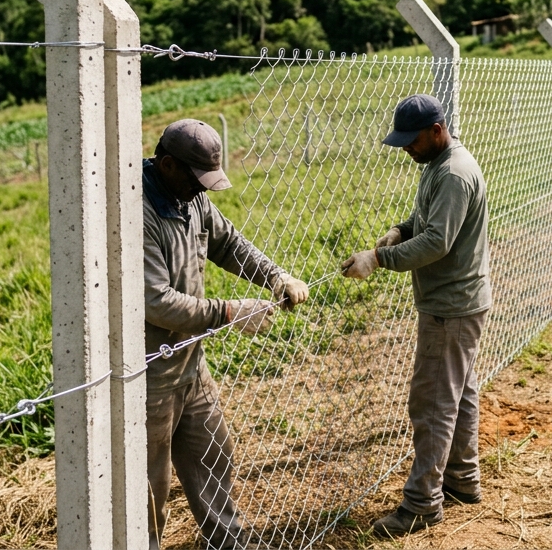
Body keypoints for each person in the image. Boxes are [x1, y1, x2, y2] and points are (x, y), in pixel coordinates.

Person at [143, 118, 310, 550]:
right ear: (167, 165)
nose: (203, 190)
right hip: (148, 376)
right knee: (147, 491)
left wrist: (275, 276)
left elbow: (228, 244)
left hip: (189, 362)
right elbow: (156, 301)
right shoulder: (136, 213)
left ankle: (229, 544)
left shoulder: (190, 199)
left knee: (213, 454)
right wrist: (231, 311)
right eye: (197, 179)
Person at [341, 94, 491, 537]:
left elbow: (438, 242)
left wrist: (378, 259)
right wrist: (400, 231)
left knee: (431, 403)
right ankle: (462, 480)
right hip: (459, 302)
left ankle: (423, 502)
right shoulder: (438, 166)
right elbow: (424, 223)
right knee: (458, 394)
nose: (407, 148)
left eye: (412, 140)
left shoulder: (454, 174)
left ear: (437, 130)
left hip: (451, 307)